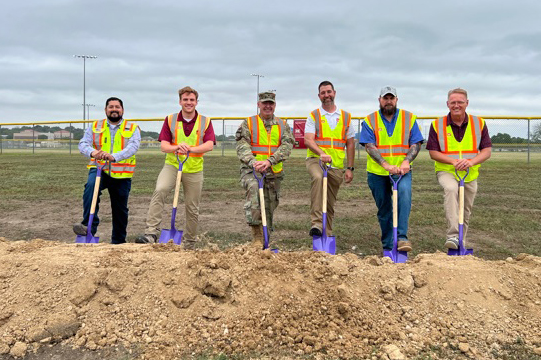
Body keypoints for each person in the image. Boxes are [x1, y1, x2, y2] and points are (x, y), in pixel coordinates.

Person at [136, 86, 215, 249]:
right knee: (160, 190)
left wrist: (190, 149)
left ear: (196, 102)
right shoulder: (170, 119)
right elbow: (164, 146)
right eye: (185, 99)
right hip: (172, 165)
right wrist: (177, 147)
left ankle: (190, 242)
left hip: (194, 169)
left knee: (192, 206)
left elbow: (209, 145)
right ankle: (151, 233)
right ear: (180, 101)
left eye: (192, 100)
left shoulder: (205, 121)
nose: (188, 103)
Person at [359, 86, 424, 253]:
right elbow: (369, 145)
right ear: (379, 100)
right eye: (385, 98)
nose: (388, 101)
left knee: (403, 196)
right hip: (377, 172)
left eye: (391, 98)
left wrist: (406, 161)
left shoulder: (409, 118)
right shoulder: (370, 120)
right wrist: (385, 164)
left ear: (396, 100)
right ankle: (388, 244)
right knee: (385, 208)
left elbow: (416, 143)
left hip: (402, 172)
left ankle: (402, 238)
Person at [427, 88, 492, 249]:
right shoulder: (437, 125)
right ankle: (453, 236)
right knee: (450, 189)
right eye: (453, 102)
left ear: (467, 103)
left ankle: (461, 241)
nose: (456, 105)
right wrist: (453, 162)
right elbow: (433, 153)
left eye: (460, 102)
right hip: (446, 170)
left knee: (465, 208)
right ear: (447, 104)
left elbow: (487, 151)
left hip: (470, 173)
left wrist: (471, 162)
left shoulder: (479, 123)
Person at [73, 97, 141, 244]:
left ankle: (118, 241)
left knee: (120, 209)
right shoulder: (95, 126)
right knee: (90, 189)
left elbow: (133, 147)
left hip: (121, 172)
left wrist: (114, 157)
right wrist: (93, 153)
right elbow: (83, 143)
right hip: (98, 168)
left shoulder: (132, 127)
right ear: (106, 110)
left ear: (122, 110)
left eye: (117, 107)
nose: (114, 109)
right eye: (111, 107)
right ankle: (88, 227)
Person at [235, 91, 294, 249]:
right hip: (251, 170)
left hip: (273, 171)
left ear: (275, 105)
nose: (268, 106)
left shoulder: (283, 125)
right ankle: (257, 238)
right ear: (258, 104)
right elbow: (242, 146)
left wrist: (270, 161)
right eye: (264, 103)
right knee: (254, 193)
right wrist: (254, 162)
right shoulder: (248, 123)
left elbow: (287, 146)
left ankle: (267, 239)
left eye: (271, 103)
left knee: (269, 204)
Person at [304, 80, 355, 239]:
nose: (326, 95)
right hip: (316, 160)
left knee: (329, 203)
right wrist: (321, 153)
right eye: (323, 93)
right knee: (318, 178)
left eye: (329, 92)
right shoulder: (314, 115)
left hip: (336, 165)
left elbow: (351, 143)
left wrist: (350, 168)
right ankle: (317, 223)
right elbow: (308, 140)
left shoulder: (346, 117)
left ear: (334, 93)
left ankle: (326, 234)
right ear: (319, 96)